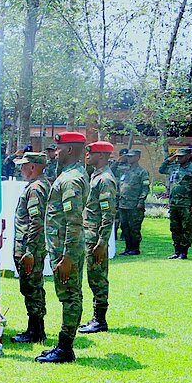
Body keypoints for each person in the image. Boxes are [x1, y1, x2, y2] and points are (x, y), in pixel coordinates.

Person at [36, 132, 89, 364]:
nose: (54, 153)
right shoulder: (69, 174)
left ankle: (65, 349)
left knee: (70, 296)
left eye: (58, 148)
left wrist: (67, 256)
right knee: (69, 294)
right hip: (62, 247)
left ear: (69, 150)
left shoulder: (70, 180)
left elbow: (74, 220)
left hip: (66, 249)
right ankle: (63, 345)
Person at [9, 153, 51, 344]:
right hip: (30, 246)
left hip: (29, 247)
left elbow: (36, 221)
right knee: (32, 287)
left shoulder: (36, 188)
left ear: (33, 167)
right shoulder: (39, 185)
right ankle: (35, 328)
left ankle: (35, 331)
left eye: (24, 166)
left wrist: (30, 251)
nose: (21, 169)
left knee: (31, 288)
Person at [79, 141, 118, 335]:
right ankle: (96, 317)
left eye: (91, 153)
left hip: (96, 238)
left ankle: (100, 319)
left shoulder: (105, 180)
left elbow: (108, 214)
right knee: (93, 277)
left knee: (98, 278)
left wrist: (102, 243)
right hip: (90, 234)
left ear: (101, 155)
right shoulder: (95, 176)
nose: (87, 156)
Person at [158, 147, 192, 259]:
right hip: (174, 203)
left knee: (187, 228)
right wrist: (171, 158)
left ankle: (184, 251)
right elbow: (161, 169)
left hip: (186, 204)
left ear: (188, 156)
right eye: (178, 156)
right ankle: (176, 250)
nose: (179, 158)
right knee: (175, 228)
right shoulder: (174, 167)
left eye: (181, 156)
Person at [117, 149, 150, 255]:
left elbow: (145, 188)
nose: (129, 158)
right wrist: (120, 159)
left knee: (134, 228)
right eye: (128, 156)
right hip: (123, 204)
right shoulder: (125, 170)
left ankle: (135, 249)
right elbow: (113, 169)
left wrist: (141, 201)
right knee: (125, 227)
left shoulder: (142, 172)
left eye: (131, 156)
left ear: (137, 157)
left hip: (134, 205)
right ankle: (128, 248)